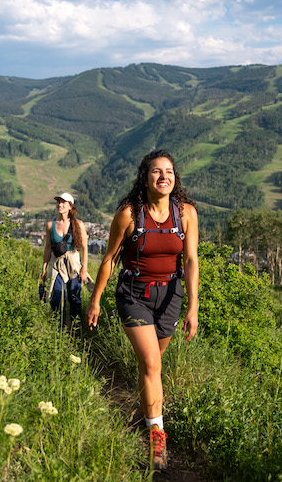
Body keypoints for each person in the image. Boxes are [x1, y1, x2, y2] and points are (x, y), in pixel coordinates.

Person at [86, 150, 199, 471]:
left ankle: (147, 411)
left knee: (153, 365)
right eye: (156, 172)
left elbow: (191, 260)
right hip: (133, 294)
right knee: (150, 363)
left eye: (169, 172)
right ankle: (156, 434)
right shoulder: (129, 215)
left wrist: (193, 304)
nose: (164, 176)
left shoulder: (187, 214)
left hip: (170, 296)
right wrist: (95, 300)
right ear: (144, 177)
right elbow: (108, 258)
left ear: (175, 179)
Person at [41, 192, 90, 327]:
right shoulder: (51, 225)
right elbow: (47, 247)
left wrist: (84, 270)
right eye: (58, 202)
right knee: (56, 296)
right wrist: (44, 268)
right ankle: (59, 328)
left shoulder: (78, 224)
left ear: (70, 206)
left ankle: (76, 328)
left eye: (63, 202)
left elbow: (85, 248)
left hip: (73, 263)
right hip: (56, 263)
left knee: (74, 298)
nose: (60, 205)